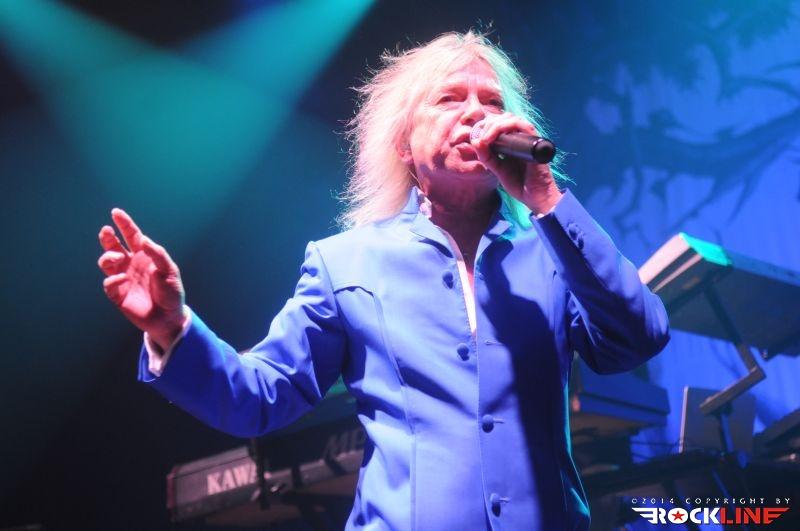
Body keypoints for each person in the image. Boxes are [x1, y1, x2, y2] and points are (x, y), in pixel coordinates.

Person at [97, 31, 669, 530]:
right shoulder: (347, 263)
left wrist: (545, 197)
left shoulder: (553, 252)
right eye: (449, 98)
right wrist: (172, 329)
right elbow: (259, 399)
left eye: (493, 102)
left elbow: (638, 337)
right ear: (403, 144)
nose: (477, 114)